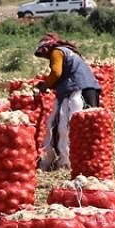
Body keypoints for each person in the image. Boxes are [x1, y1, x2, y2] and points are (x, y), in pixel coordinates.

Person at [33, 32, 100, 171]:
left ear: (47, 47)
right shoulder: (69, 52)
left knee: (67, 126)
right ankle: (85, 159)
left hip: (78, 90)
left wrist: (45, 85)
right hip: (89, 88)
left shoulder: (57, 52)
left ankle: (67, 161)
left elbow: (56, 73)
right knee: (85, 127)